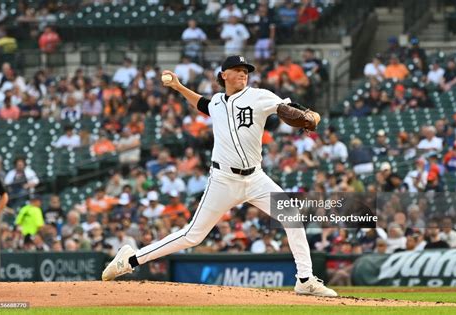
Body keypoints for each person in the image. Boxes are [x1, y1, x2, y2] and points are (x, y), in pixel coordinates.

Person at [102, 55, 337, 297]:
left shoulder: (259, 96)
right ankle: (130, 260)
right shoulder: (216, 102)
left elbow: (292, 110)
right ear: (223, 75)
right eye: (236, 69)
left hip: (256, 178)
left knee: (291, 215)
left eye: (245, 70)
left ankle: (305, 279)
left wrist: (310, 117)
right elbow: (201, 104)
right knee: (192, 236)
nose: (243, 73)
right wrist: (178, 86)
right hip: (223, 180)